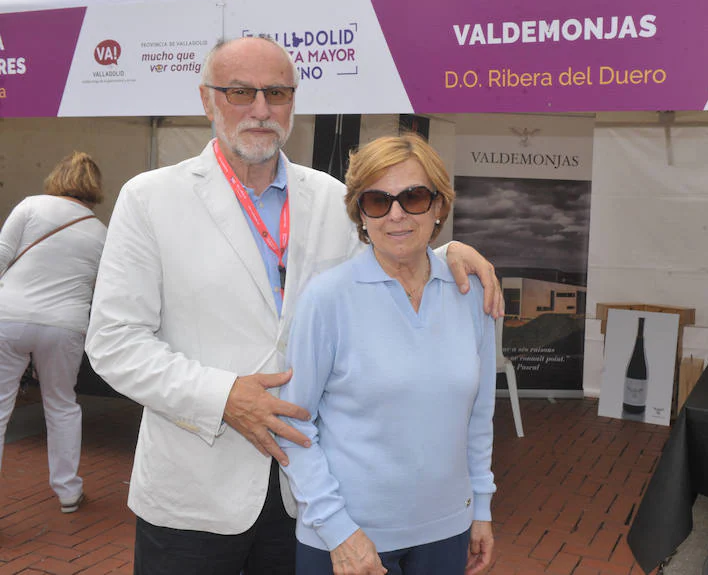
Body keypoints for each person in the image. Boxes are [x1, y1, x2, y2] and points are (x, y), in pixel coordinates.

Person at [84, 35, 501, 575]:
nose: (261, 109)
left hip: (305, 499)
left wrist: (447, 254)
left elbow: (387, 258)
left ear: (294, 103)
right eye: (240, 92)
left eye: (277, 92)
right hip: (196, 493)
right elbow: (114, 343)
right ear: (207, 100)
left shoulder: (331, 197)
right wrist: (225, 396)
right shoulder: (150, 198)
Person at [279, 134, 496, 575]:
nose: (396, 214)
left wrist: (481, 508)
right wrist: (338, 531)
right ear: (361, 214)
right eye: (378, 201)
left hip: (446, 533)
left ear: (439, 205)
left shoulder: (470, 294)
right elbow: (292, 425)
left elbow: (479, 415)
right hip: (346, 540)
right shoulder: (327, 299)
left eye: (413, 197)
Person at [0, 151, 107, 513]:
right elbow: (102, 288)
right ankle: (68, 491)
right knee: (62, 405)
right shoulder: (100, 231)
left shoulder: (31, 206)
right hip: (65, 324)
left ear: (57, 176)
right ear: (94, 188)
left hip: (9, 316)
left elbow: (1, 254)